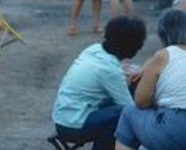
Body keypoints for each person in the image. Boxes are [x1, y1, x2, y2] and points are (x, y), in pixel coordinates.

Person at [114, 9, 186, 150]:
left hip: (182, 132)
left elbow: (141, 102)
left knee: (129, 112)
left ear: (162, 34)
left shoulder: (163, 55)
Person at [52, 16, 146, 150]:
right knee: (123, 115)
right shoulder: (109, 70)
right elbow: (129, 109)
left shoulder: (94, 49)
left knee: (123, 104)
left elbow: (108, 69)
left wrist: (123, 71)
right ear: (133, 46)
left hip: (65, 116)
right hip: (74, 125)